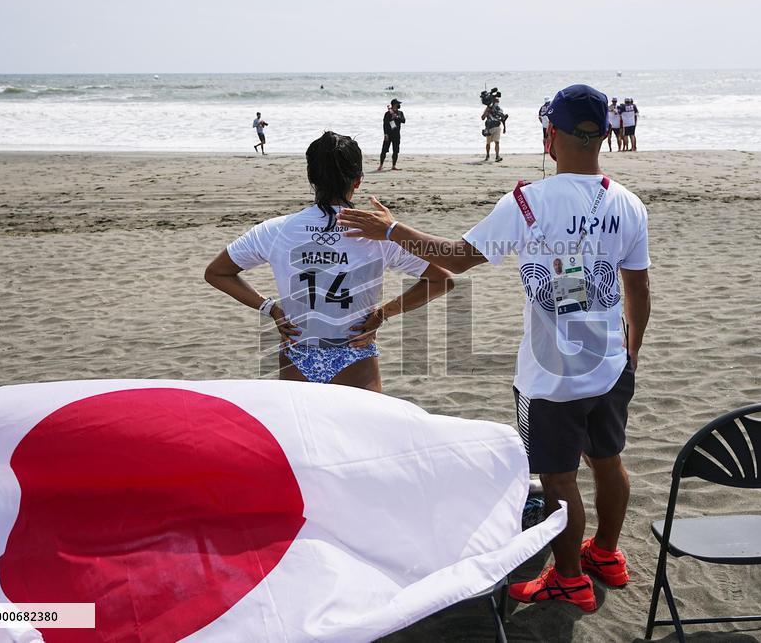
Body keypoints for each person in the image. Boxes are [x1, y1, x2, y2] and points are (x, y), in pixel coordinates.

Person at [337, 84, 651, 613]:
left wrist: (390, 229)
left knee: (557, 477)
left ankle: (570, 577)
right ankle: (607, 554)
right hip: (611, 364)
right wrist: (633, 352)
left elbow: (456, 258)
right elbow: (638, 288)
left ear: (552, 136)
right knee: (608, 460)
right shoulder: (626, 202)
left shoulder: (527, 202)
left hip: (551, 378)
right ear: (602, 135)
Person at [205, 131, 453, 392]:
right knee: (360, 433)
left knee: (301, 433)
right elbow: (441, 280)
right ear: (357, 181)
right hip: (354, 354)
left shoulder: (275, 230)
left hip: (298, 352)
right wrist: (382, 314)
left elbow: (217, 273)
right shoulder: (380, 233)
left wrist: (272, 309)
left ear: (311, 178)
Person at [378, 99, 406, 171]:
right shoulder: (387, 114)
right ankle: (381, 165)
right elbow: (385, 125)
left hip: (396, 134)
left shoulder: (400, 113)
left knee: (396, 151)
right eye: (398, 104)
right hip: (389, 134)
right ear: (394, 104)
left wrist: (396, 117)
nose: (399, 105)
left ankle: (393, 166)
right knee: (384, 150)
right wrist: (385, 134)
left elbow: (403, 121)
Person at [481, 94, 507, 162]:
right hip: (489, 127)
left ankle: (497, 156)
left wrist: (504, 128)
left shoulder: (500, 109)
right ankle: (487, 155)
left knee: (497, 142)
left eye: (498, 101)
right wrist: (487, 111)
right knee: (488, 143)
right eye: (496, 100)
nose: (497, 102)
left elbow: (502, 119)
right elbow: (483, 118)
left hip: (497, 127)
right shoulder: (488, 108)